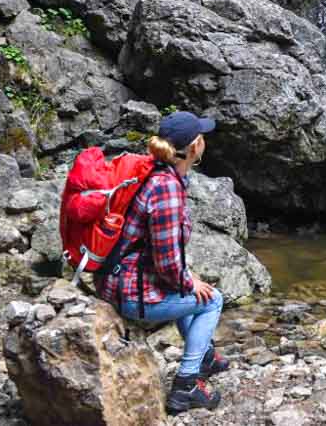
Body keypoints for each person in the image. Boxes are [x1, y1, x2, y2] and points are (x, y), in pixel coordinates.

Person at [95, 111, 227, 414]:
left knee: (192, 287)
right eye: (202, 136)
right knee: (211, 300)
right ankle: (187, 385)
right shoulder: (166, 187)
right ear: (194, 147)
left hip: (116, 278)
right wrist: (188, 281)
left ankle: (205, 354)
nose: (205, 140)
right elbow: (168, 264)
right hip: (129, 295)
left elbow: (162, 255)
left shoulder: (156, 171)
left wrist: (188, 278)